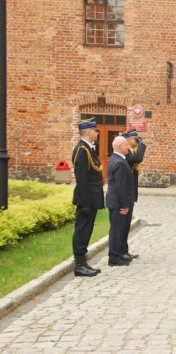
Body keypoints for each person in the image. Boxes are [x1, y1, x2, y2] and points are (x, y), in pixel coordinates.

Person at [71, 117, 104, 277]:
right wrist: (85, 203)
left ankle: (83, 263)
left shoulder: (88, 149)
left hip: (91, 197)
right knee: (82, 231)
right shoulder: (82, 150)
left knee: (87, 230)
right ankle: (79, 265)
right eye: (95, 130)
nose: (97, 133)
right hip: (87, 199)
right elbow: (82, 179)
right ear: (89, 131)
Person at [105, 136, 135, 266]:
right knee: (117, 230)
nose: (128, 147)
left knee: (119, 229)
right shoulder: (119, 162)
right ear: (119, 147)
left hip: (115, 201)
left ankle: (119, 253)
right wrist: (125, 205)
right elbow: (121, 186)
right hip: (118, 203)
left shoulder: (115, 159)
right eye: (125, 145)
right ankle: (114, 257)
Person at [121, 130, 146, 260]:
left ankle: (124, 250)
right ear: (129, 139)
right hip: (126, 193)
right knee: (123, 225)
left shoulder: (130, 152)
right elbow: (138, 159)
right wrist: (142, 144)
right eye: (135, 138)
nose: (136, 140)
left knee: (126, 225)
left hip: (130, 192)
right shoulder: (126, 153)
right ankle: (121, 251)